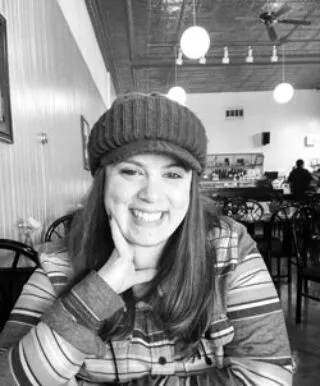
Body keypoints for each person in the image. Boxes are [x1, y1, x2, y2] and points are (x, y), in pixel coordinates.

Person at [0, 93, 293, 385]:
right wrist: (98, 291)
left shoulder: (229, 249)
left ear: (190, 185)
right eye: (131, 171)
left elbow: (269, 378)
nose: (151, 195)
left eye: (173, 175)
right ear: (102, 180)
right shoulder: (57, 266)